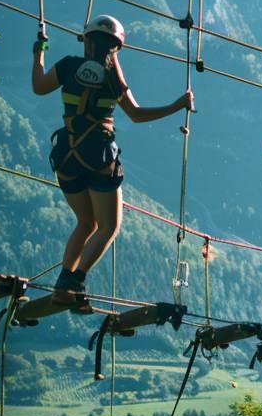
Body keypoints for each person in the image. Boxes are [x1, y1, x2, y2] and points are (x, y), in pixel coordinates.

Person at [30, 16, 193, 305]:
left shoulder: (68, 65)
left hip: (67, 155)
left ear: (87, 40)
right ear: (115, 48)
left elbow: (39, 86)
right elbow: (137, 114)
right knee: (107, 226)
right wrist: (177, 105)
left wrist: (39, 52)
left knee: (84, 222)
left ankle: (63, 285)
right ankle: (75, 282)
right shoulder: (112, 78)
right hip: (99, 157)